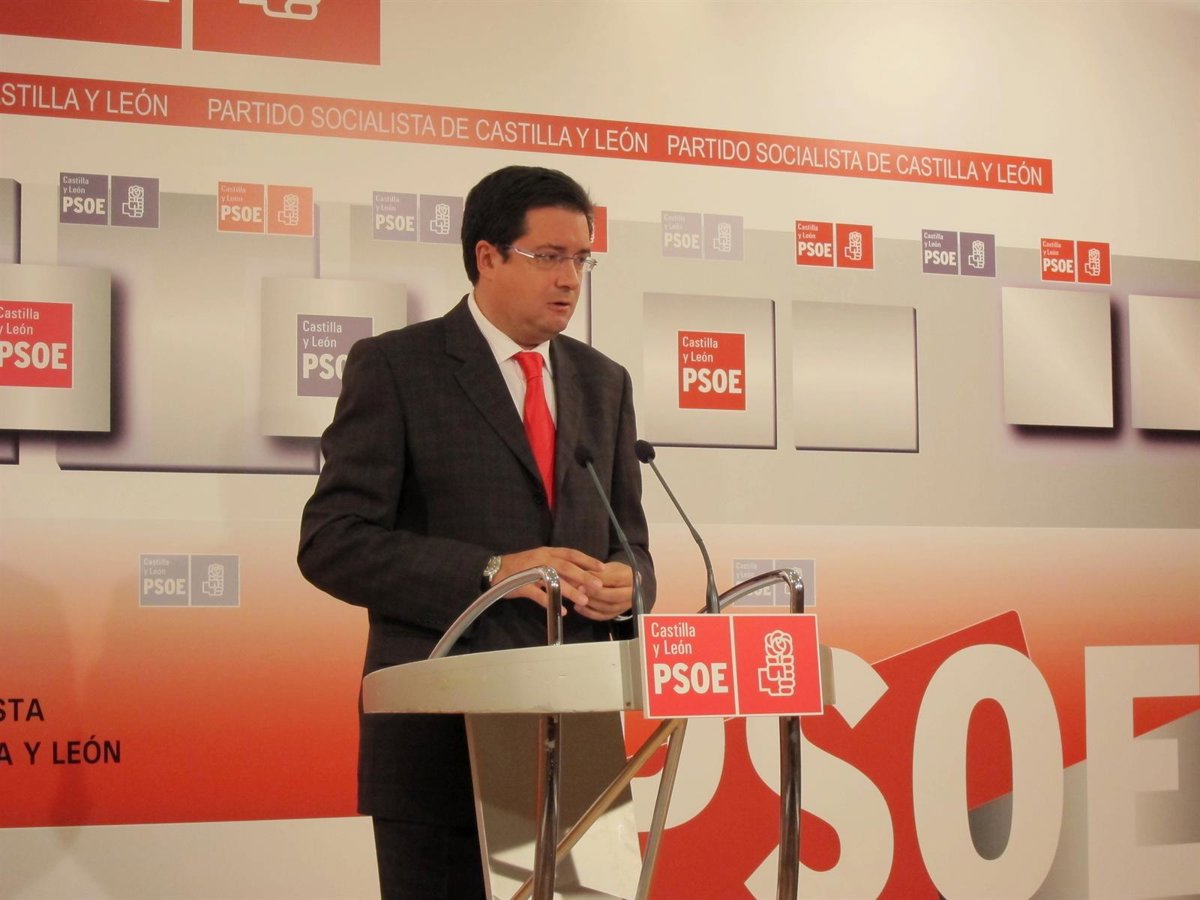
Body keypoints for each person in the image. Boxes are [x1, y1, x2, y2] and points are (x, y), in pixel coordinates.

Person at [297, 165, 655, 899]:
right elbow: (333, 541)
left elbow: (632, 544)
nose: (570, 279)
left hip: (575, 740)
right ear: (487, 256)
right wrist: (493, 573)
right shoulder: (398, 367)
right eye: (548, 256)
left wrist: (629, 586)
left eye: (581, 259)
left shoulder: (604, 382)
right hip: (442, 742)